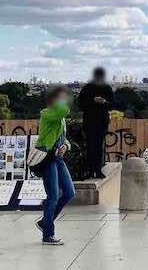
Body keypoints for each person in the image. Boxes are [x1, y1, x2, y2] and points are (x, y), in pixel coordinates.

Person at [35, 86, 75, 246]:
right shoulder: (47, 113)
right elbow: (64, 111)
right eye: (60, 97)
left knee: (69, 192)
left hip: (57, 158)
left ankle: (45, 222)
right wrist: (60, 101)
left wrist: (66, 146)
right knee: (52, 196)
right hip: (47, 157)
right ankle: (47, 235)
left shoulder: (58, 115)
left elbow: (63, 138)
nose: (64, 99)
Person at [78, 67, 113, 178]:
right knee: (90, 146)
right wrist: (93, 101)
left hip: (100, 121)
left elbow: (112, 103)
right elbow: (80, 104)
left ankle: (96, 169)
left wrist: (104, 102)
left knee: (98, 146)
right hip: (91, 121)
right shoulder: (88, 88)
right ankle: (91, 169)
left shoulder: (105, 88)